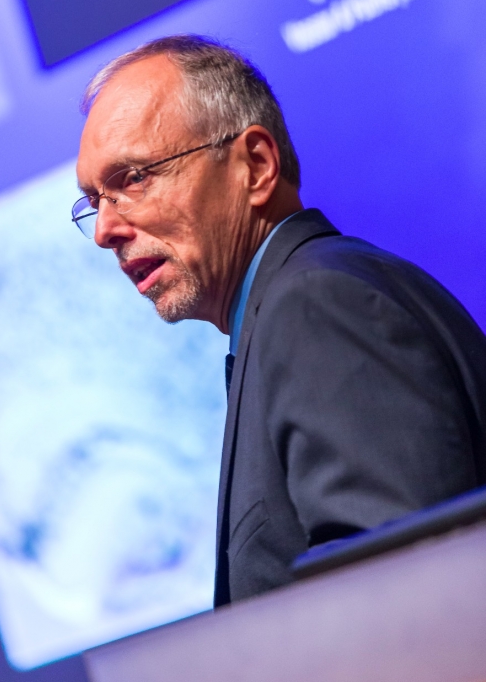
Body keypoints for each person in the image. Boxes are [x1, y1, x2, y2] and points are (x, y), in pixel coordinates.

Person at [73, 34, 486, 607]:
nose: (104, 230)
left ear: (256, 166)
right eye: (95, 199)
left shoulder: (318, 305)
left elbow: (404, 605)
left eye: (134, 178)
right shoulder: (303, 303)